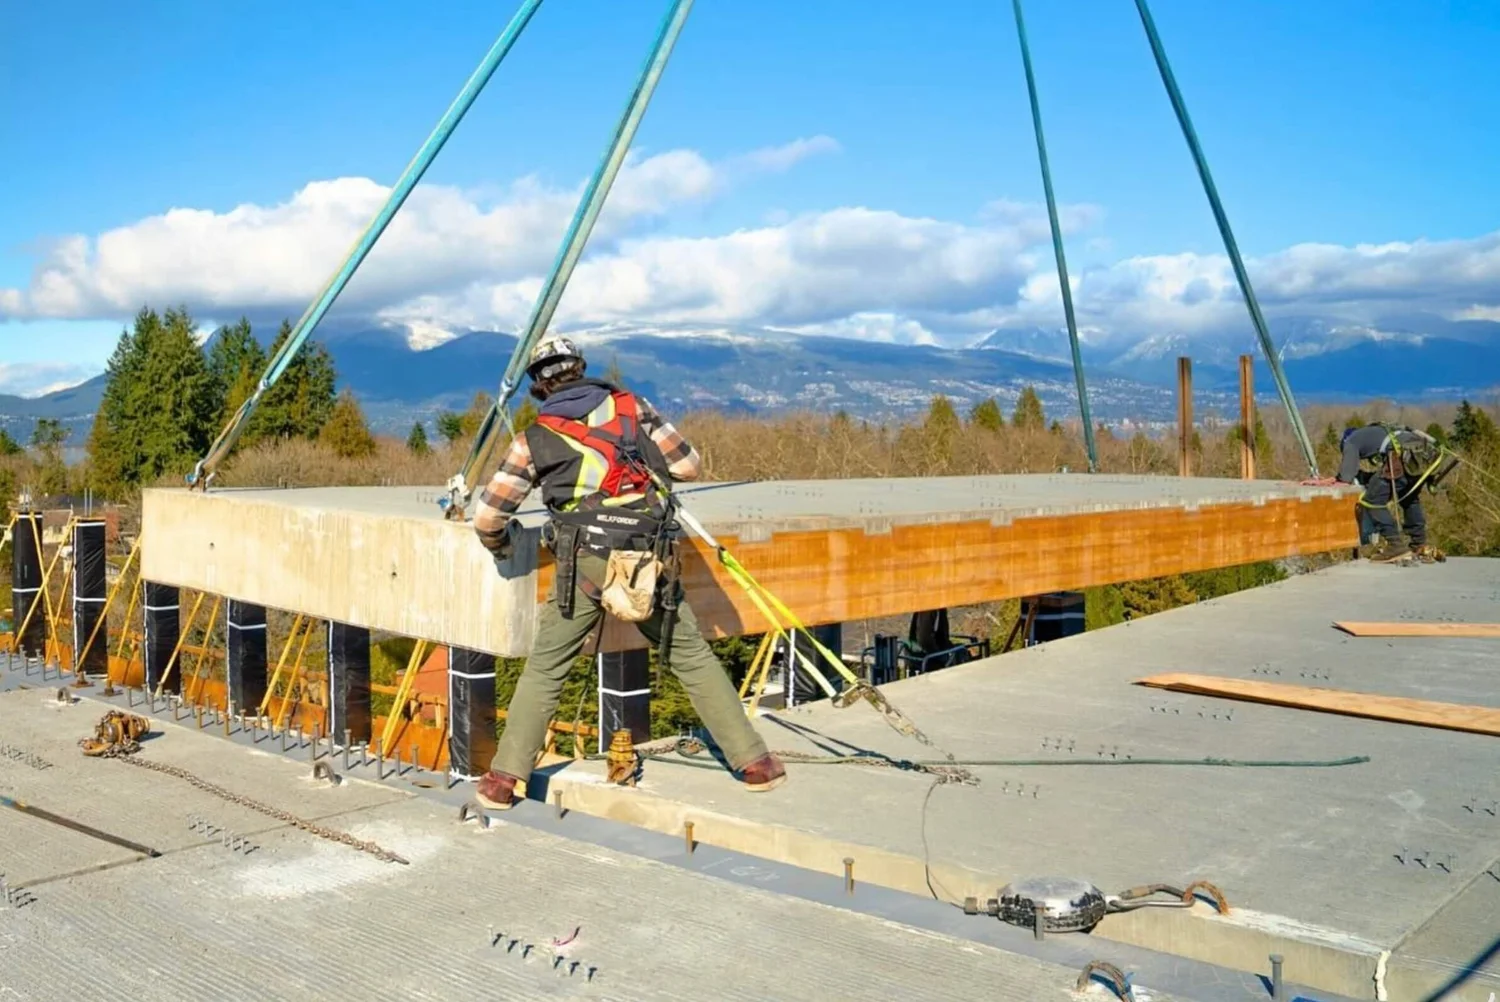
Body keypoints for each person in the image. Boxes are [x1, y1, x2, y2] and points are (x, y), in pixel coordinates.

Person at [468, 335, 785, 809]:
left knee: (548, 667)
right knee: (689, 655)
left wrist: (503, 545)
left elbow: (488, 517)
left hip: (583, 564)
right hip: (647, 558)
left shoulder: (532, 440)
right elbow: (689, 467)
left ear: (539, 386)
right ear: (581, 368)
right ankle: (755, 764)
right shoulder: (632, 408)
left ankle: (503, 780)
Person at [1310, 424, 1437, 563]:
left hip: (1402, 456)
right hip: (1422, 457)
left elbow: (1346, 478)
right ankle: (1419, 543)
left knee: (1371, 500)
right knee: (1410, 499)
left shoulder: (1351, 440)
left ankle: (1395, 545)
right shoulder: (1379, 431)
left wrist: (1333, 480)